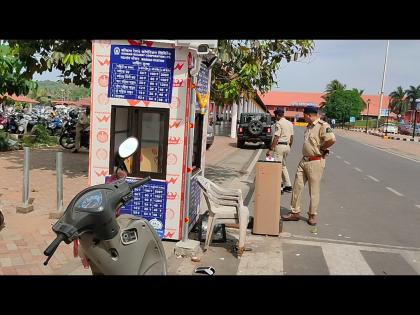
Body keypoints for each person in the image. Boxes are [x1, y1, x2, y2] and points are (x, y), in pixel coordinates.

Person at [282, 106, 336, 226]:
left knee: (314, 190)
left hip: (315, 161)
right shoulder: (309, 126)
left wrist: (322, 148)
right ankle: (294, 212)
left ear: (309, 115)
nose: (304, 118)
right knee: (297, 187)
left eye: (304, 116)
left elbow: (331, 139)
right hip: (304, 160)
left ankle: (312, 215)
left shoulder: (322, 126)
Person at [266, 108, 294, 193]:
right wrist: (289, 147)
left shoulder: (279, 123)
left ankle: (280, 187)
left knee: (277, 167)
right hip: (287, 146)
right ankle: (288, 185)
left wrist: (271, 149)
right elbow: (292, 137)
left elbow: (276, 137)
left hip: (280, 146)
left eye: (275, 116)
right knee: (283, 166)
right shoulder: (290, 123)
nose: (275, 117)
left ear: (277, 115)